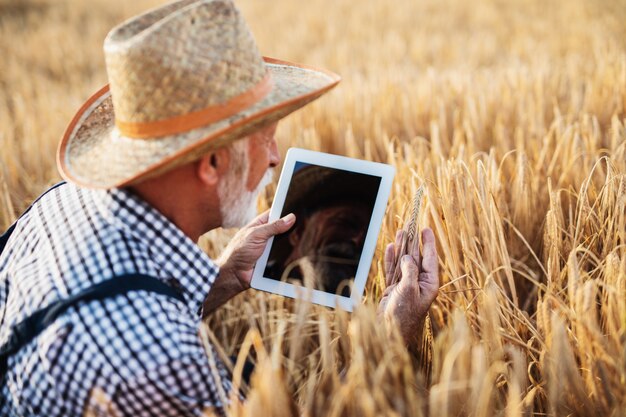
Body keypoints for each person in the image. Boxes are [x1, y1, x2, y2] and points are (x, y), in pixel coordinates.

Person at [0, 0, 439, 416]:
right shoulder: (163, 366)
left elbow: (114, 302)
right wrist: (387, 341)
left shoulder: (61, 201)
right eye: (265, 135)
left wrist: (224, 276)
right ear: (211, 163)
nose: (274, 156)